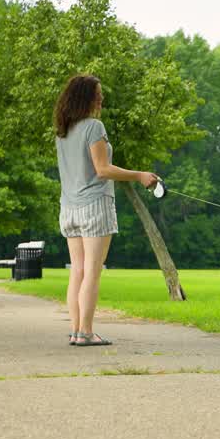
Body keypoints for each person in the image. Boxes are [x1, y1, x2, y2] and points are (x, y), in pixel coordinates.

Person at [53, 74, 159, 347]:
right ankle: (86, 332)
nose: (102, 98)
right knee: (92, 271)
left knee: (77, 271)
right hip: (94, 207)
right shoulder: (94, 127)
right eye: (97, 93)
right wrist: (140, 176)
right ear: (85, 97)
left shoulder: (63, 131)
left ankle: (77, 332)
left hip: (69, 209)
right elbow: (102, 169)